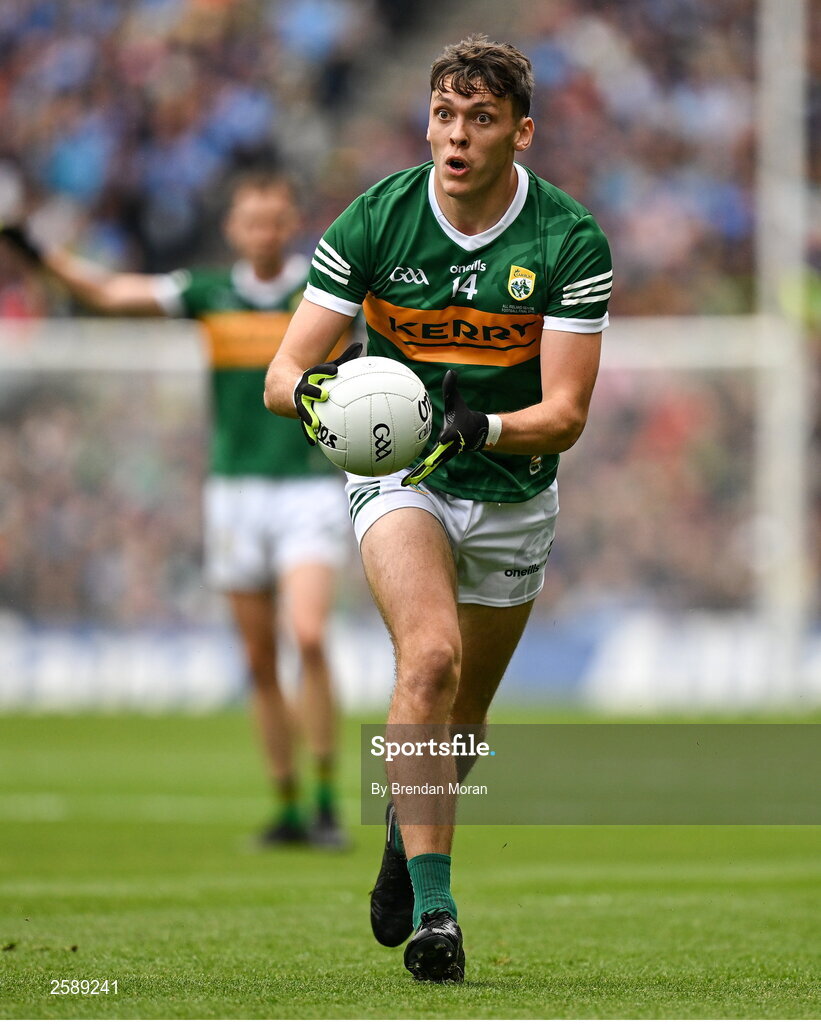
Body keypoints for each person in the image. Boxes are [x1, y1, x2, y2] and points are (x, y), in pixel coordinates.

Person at [264, 35, 611, 981]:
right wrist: (325, 404)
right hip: (400, 477)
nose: (455, 136)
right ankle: (438, 913)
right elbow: (282, 372)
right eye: (443, 115)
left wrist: (481, 428)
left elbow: (566, 416)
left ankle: (401, 832)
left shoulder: (568, 241)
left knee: (462, 722)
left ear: (521, 134)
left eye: (481, 119)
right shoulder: (374, 220)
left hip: (509, 489)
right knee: (428, 660)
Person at [0, 173, 351, 849]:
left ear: (290, 224)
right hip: (233, 494)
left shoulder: (322, 293)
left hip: (306, 487)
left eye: (276, 220)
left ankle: (330, 801)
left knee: (307, 635)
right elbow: (108, 292)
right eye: (252, 221)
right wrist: (39, 256)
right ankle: (286, 805)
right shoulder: (208, 293)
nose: (264, 233)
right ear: (234, 230)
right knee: (258, 660)